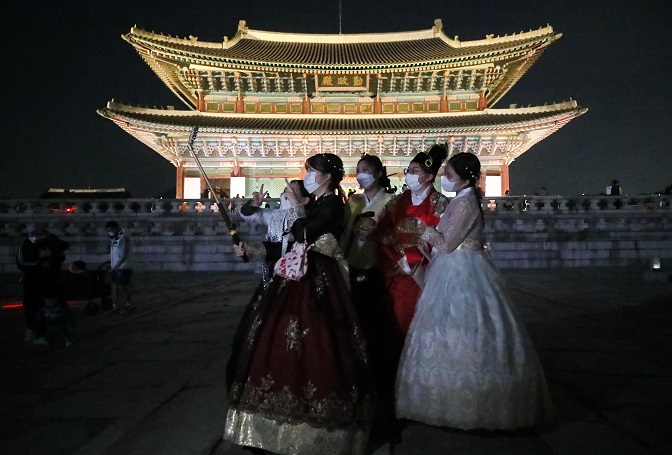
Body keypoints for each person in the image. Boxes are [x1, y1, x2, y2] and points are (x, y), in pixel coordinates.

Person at [225, 153, 374, 455]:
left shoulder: (333, 204)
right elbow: (288, 245)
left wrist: (295, 209)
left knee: (319, 345)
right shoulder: (316, 204)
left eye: (312, 171)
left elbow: (304, 234)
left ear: (327, 176)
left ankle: (319, 430)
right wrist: (251, 250)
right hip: (294, 278)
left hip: (319, 281)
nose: (307, 176)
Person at [396, 152, 553, 430]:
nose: (445, 179)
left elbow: (447, 243)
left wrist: (422, 228)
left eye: (450, 175)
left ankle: (470, 404)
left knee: (463, 327)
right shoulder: (459, 200)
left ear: (466, 178)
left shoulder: (466, 203)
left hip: (462, 269)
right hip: (454, 267)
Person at [225, 180, 310, 391]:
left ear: (305, 199)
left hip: (291, 275)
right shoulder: (273, 215)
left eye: (292, 190)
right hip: (270, 272)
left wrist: (254, 250)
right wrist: (254, 203)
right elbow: (247, 213)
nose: (285, 193)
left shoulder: (301, 218)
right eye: (285, 190)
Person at [341, 154, 399, 450]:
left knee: (376, 334)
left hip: (376, 270)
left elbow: (395, 235)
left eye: (366, 171)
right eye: (358, 171)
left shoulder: (390, 202)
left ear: (378, 173)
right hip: (350, 268)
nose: (361, 175)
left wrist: (377, 234)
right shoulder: (353, 203)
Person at [376, 144, 449, 340]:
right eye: (408, 171)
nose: (409, 175)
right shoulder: (397, 202)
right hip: (395, 270)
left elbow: (443, 240)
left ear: (429, 176)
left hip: (426, 273)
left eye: (415, 171)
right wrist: (395, 259)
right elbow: (382, 233)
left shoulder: (440, 203)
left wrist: (413, 260)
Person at [16, 224, 47, 342]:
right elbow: (20, 263)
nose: (34, 237)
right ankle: (31, 329)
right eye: (32, 234)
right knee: (30, 307)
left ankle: (40, 333)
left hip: (43, 281)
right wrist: (38, 265)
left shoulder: (44, 245)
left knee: (42, 306)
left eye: (36, 234)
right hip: (30, 281)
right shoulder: (24, 246)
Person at [105, 221, 133, 314]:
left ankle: (128, 304)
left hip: (123, 267)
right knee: (114, 286)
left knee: (123, 286)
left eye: (111, 230)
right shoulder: (113, 238)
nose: (110, 232)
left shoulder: (124, 238)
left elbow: (125, 253)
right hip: (115, 267)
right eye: (108, 231)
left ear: (116, 228)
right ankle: (115, 306)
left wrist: (118, 264)